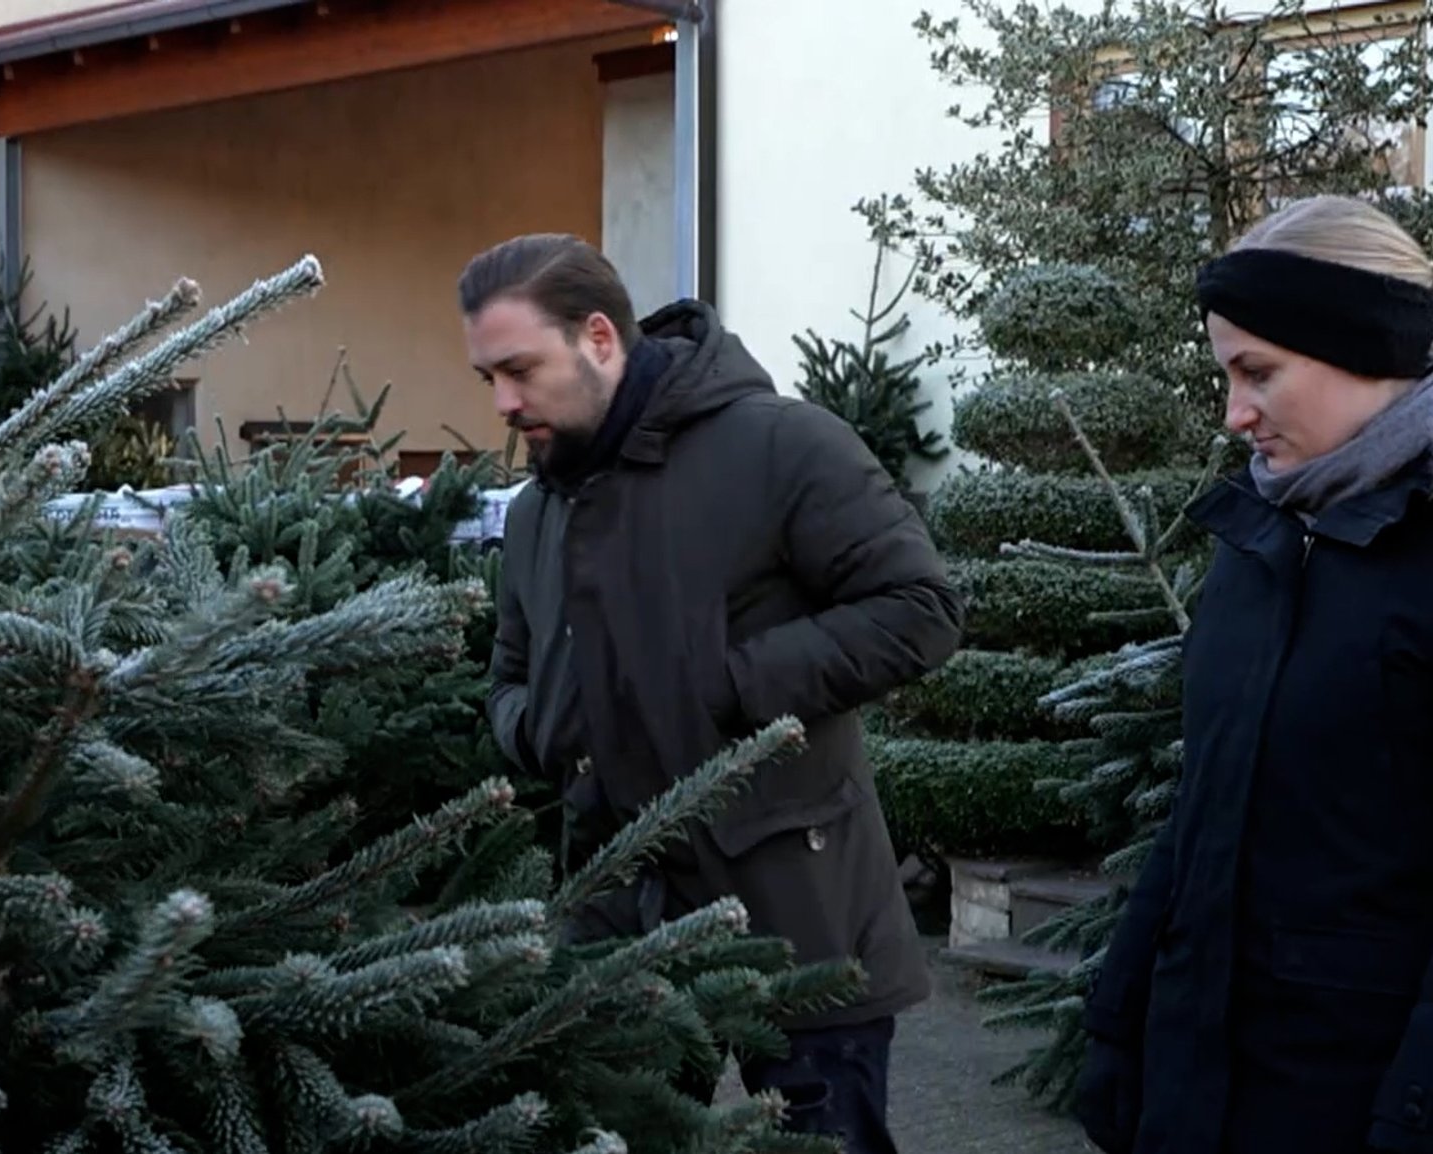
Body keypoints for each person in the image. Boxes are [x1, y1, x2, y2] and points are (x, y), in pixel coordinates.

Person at [462, 233, 964, 1151]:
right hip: (616, 928)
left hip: (800, 914)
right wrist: (537, 731)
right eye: (487, 378)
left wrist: (728, 684)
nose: (504, 402)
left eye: (519, 369)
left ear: (601, 339)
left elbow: (920, 609)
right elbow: (507, 673)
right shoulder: (539, 510)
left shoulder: (782, 445)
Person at [1072, 194, 1433, 1154]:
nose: (1233, 414)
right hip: (1206, 1088)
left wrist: (1410, 1116)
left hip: (1353, 1101)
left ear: (1364, 346)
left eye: (1257, 373)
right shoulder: (1262, 532)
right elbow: (1204, 808)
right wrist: (1118, 1022)